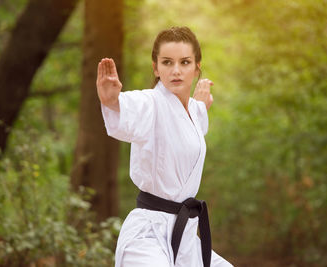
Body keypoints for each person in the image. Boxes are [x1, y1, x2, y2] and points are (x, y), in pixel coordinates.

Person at [97, 26, 233, 267]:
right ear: (156, 68)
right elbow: (127, 107)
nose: (176, 71)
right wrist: (111, 100)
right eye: (167, 62)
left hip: (186, 237)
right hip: (148, 237)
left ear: (196, 67)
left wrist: (201, 106)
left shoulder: (192, 110)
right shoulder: (150, 104)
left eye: (185, 62)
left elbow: (187, 131)